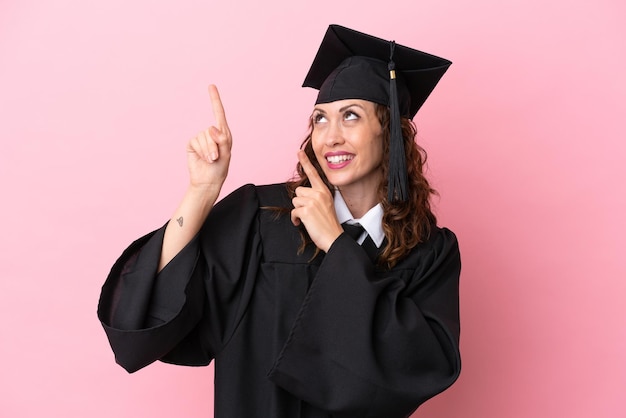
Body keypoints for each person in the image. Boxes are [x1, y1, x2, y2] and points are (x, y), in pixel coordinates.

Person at [98, 25, 461, 418]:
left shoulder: (429, 250)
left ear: (389, 132)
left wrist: (336, 245)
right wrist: (201, 191)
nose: (330, 137)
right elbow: (144, 311)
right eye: (320, 119)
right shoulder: (262, 218)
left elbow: (419, 367)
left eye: (350, 116)